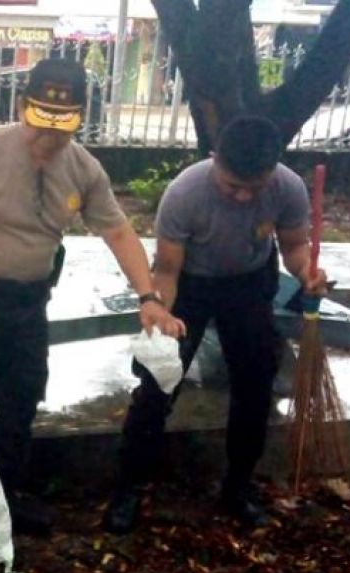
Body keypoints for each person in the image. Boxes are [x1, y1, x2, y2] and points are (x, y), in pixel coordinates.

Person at [0, 58, 183, 536]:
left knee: (21, 401)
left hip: (29, 303)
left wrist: (149, 296)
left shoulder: (83, 170)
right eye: (40, 124)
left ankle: (2, 502)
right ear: (20, 107)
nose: (48, 139)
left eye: (61, 127)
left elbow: (117, 232)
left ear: (79, 118)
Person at [102, 115, 327, 534]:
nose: (243, 197)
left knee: (256, 383)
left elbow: (295, 246)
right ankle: (129, 488)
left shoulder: (288, 187)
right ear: (215, 159)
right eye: (232, 186)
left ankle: (238, 486)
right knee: (158, 384)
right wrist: (162, 314)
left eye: (253, 188)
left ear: (271, 172)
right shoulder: (186, 193)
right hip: (190, 284)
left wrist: (306, 273)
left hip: (249, 283)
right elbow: (166, 269)